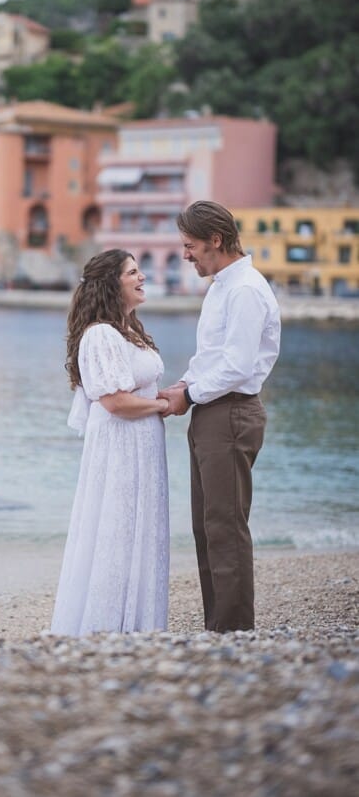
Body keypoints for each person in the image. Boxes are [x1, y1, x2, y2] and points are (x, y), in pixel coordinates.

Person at [159, 200, 281, 632]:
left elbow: (238, 367)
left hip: (230, 413)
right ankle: (219, 627)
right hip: (212, 411)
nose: (185, 255)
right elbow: (211, 357)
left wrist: (189, 395)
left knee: (225, 526)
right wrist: (182, 386)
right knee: (206, 526)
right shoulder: (221, 287)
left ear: (216, 240)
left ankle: (234, 630)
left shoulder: (244, 289)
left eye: (190, 246)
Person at [50, 249, 170, 636]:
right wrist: (163, 406)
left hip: (141, 445)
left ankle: (137, 625)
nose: (142, 277)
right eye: (133, 272)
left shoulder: (127, 330)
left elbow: (136, 389)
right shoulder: (101, 334)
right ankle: (105, 626)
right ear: (111, 284)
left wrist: (165, 397)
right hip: (121, 448)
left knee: (138, 531)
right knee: (117, 531)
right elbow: (115, 402)